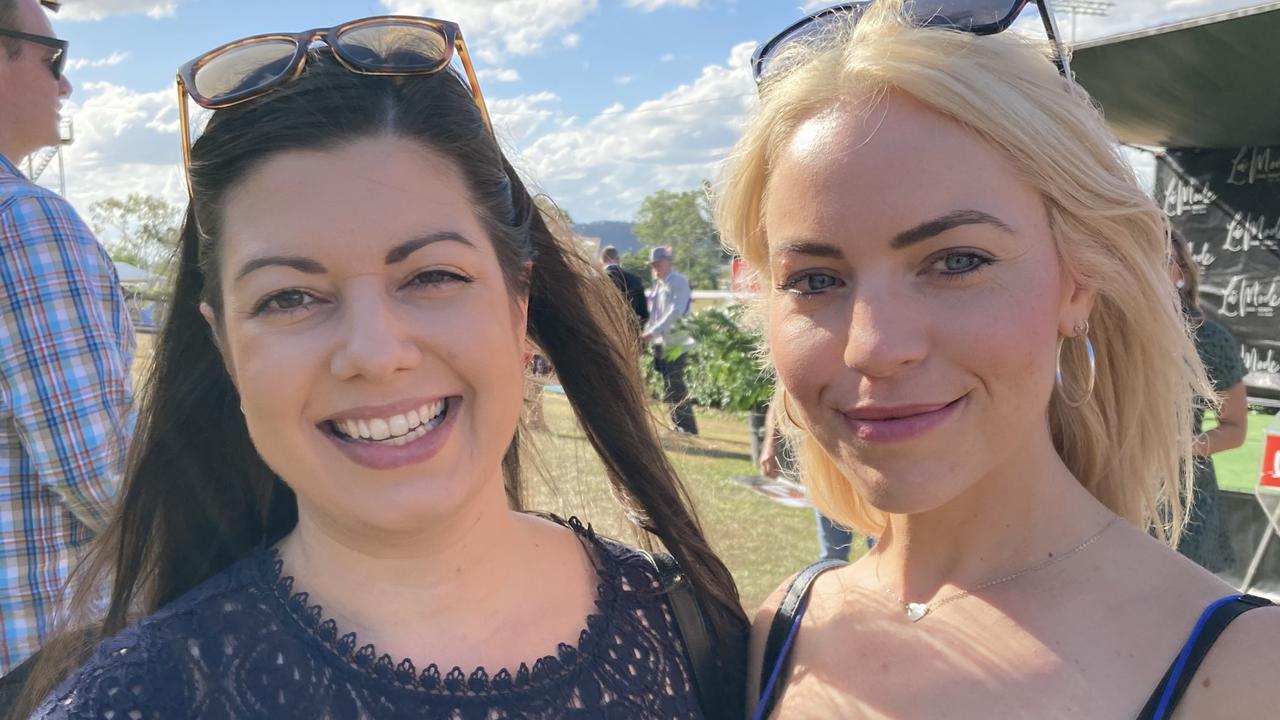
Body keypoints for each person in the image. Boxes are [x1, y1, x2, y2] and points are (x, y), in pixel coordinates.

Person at [16, 16, 746, 718]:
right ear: (226, 349)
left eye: (432, 276)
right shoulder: (131, 702)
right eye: (290, 297)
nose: (373, 352)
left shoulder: (696, 634)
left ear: (518, 303)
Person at [715, 2, 1280, 718]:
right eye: (815, 280)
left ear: (1078, 282)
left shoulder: (1245, 674)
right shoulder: (781, 631)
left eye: (955, 261)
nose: (875, 348)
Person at [0, 0, 134, 675]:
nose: (65, 85)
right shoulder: (24, 221)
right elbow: (103, 477)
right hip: (42, 654)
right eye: (53, 59)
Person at [1170, 229, 1247, 573]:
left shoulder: (1209, 339)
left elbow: (1235, 430)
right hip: (1111, 494)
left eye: (1159, 260)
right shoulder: (1097, 333)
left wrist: (1178, 447)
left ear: (1180, 272)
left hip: (1186, 504)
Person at [758, 401, 868, 562]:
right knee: (832, 555)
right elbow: (779, 396)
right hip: (828, 467)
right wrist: (769, 445)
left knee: (885, 554)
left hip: (874, 466)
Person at [642, 246, 698, 435]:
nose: (656, 267)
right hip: (662, 343)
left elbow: (676, 312)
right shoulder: (658, 285)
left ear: (668, 262)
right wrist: (647, 332)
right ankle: (677, 425)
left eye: (658, 263)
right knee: (668, 386)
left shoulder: (679, 282)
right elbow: (655, 313)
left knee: (675, 385)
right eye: (653, 264)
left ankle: (687, 428)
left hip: (677, 343)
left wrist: (652, 331)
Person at [600, 245, 649, 331]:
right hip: (630, 336)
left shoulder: (596, 281)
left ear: (602, 261)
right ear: (619, 259)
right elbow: (643, 314)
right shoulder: (635, 280)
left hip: (603, 334)